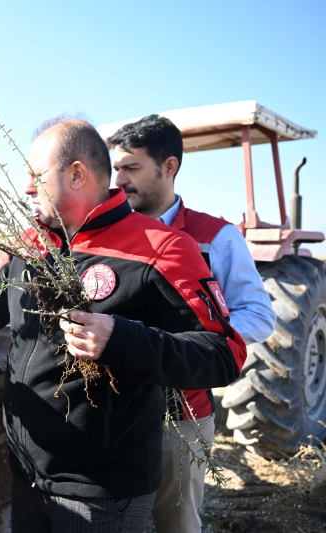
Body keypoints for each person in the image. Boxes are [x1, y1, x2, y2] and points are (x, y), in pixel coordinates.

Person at [0, 118, 247, 533]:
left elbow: (224, 354)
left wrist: (122, 339)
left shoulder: (161, 248)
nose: (27, 187)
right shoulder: (35, 245)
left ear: (76, 173)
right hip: (30, 478)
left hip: (103, 495)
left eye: (35, 175)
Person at [107, 115, 276, 533]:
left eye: (131, 168)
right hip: (112, 409)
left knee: (175, 522)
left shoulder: (215, 237)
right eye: (116, 168)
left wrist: (169, 344)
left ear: (169, 167)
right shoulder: (107, 233)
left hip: (178, 416)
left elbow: (258, 316)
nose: (119, 180)